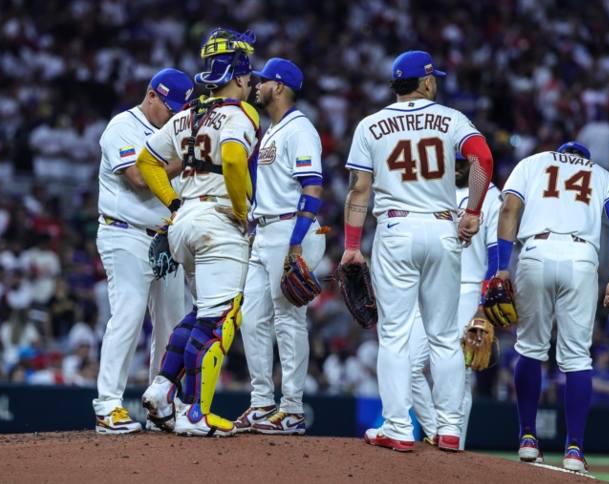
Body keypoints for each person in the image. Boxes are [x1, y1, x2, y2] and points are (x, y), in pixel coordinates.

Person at [341, 51, 493, 452]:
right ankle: (449, 428)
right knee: (443, 336)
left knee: (394, 335)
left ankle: (398, 428)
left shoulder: (370, 125)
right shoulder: (451, 118)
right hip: (442, 227)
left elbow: (359, 190)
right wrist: (472, 212)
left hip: (396, 227)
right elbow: (482, 157)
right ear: (426, 82)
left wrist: (352, 246)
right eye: (433, 77)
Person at [136, 27, 260, 437]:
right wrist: (241, 210)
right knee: (221, 319)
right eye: (248, 76)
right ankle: (195, 412)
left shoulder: (187, 115)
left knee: (202, 313)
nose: (250, 84)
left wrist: (174, 203)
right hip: (218, 222)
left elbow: (147, 161)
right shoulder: (240, 113)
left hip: (186, 219)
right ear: (238, 77)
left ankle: (161, 389)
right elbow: (233, 158)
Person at [498, 141, 609, 472]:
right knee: (577, 358)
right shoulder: (602, 175)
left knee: (530, 348)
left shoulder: (533, 162)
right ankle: (574, 448)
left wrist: (501, 267)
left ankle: (528, 438)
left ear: (561, 153)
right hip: (581, 257)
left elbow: (509, 209)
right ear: (584, 158)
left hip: (536, 252)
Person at [92, 68, 193, 434]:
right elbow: (138, 178)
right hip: (126, 234)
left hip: (166, 237)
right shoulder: (123, 126)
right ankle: (108, 406)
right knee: (129, 314)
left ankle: (161, 404)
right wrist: (188, 158)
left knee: (172, 324)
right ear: (152, 95)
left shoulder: (175, 131)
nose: (175, 115)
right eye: (170, 108)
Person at [234, 58, 326, 435]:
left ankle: (292, 408)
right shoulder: (272, 130)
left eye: (264, 81)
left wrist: (296, 242)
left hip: (291, 229)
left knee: (288, 320)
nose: (257, 86)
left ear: (281, 86)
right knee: (251, 316)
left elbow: (312, 187)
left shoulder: (300, 128)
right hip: (266, 230)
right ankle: (261, 403)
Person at [409, 153, 502, 449]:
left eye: (464, 163)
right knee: (408, 365)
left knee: (459, 372)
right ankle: (436, 431)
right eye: (455, 162)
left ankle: (454, 447)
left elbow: (496, 253)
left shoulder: (491, 196)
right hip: (431, 286)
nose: (458, 168)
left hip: (468, 288)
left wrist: (484, 304)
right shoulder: (433, 189)